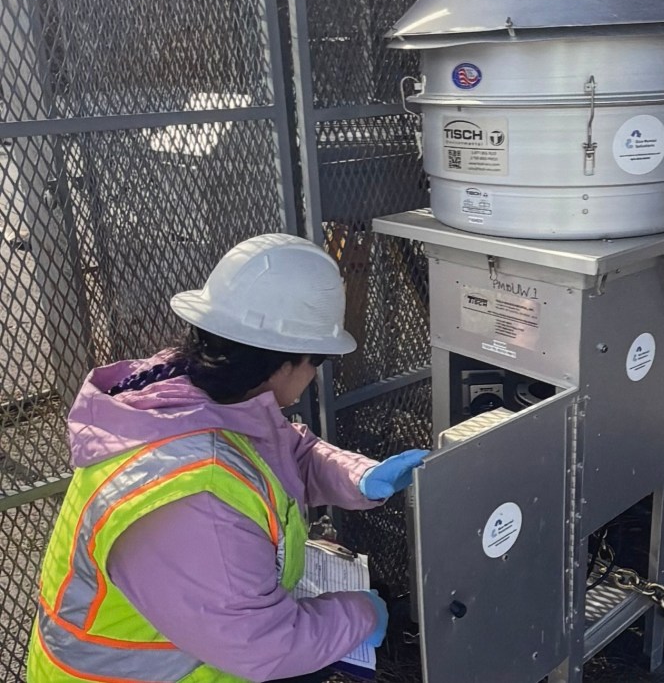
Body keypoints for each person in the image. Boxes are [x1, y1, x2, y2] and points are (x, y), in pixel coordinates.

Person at [28, 233, 429, 683]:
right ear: (286, 363)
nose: (314, 376)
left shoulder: (186, 391)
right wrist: (359, 616)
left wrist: (361, 476)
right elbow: (262, 647)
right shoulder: (196, 502)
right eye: (316, 363)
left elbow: (281, 450)